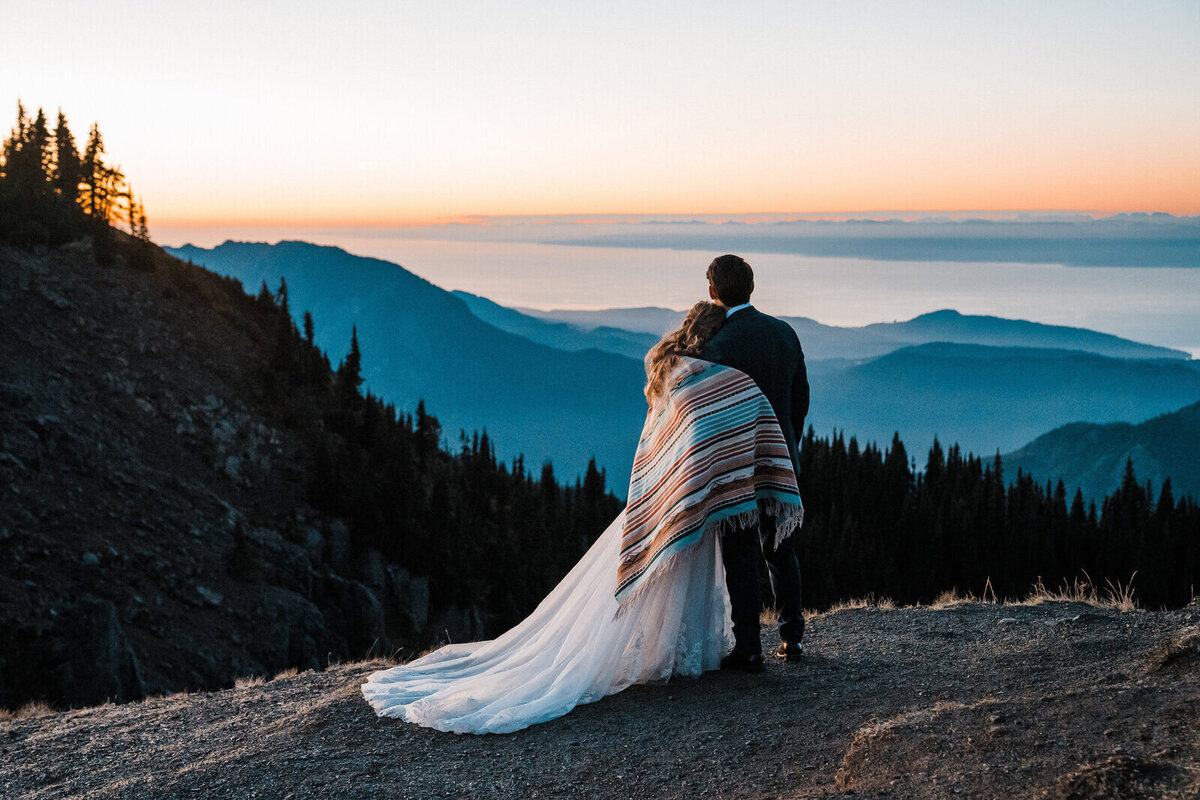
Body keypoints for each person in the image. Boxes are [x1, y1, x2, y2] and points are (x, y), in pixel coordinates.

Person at [361, 294, 805, 735]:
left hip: (689, 486)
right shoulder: (751, 352)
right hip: (729, 473)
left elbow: (666, 437)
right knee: (768, 553)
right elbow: (790, 402)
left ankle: (705, 650)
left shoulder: (680, 370)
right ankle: (777, 638)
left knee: (721, 560)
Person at [701, 254, 810, 671]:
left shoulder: (715, 344)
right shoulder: (784, 333)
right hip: (781, 456)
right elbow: (799, 399)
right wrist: (786, 446)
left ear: (713, 291)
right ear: (752, 286)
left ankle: (749, 647)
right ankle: (792, 637)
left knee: (740, 552)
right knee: (782, 547)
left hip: (735, 465)